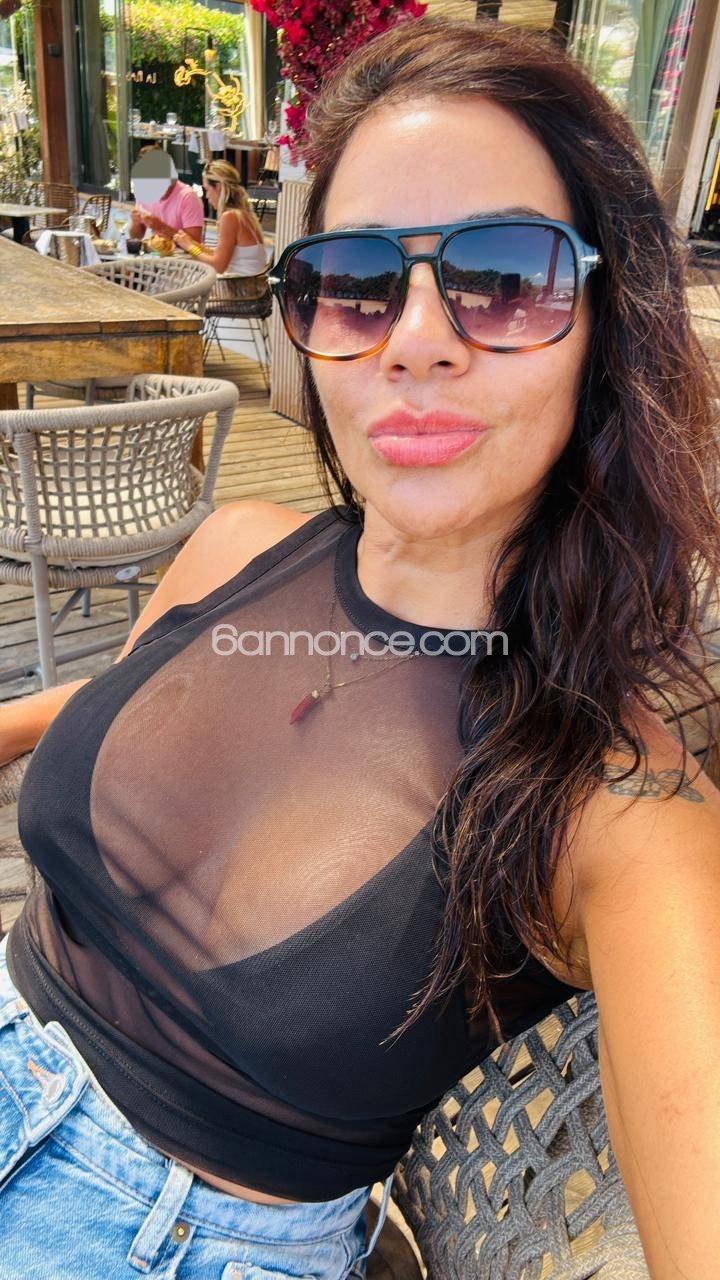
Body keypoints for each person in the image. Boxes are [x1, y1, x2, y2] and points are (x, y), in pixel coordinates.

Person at [1, 15, 719, 1279]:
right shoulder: (241, 544)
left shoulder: (613, 800)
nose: (415, 336)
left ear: (607, 322)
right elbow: (126, 703)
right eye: (357, 281)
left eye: (505, 276)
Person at [174, 159, 269, 275]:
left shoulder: (230, 217)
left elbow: (218, 266)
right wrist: (192, 243)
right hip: (250, 282)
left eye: (207, 189)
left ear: (218, 187)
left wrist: (189, 246)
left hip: (240, 284)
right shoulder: (243, 214)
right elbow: (220, 255)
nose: (207, 196)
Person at [128, 147, 203, 245]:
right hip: (156, 252)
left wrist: (161, 227)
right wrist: (135, 223)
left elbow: (194, 243)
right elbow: (136, 237)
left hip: (182, 254)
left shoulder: (187, 197)